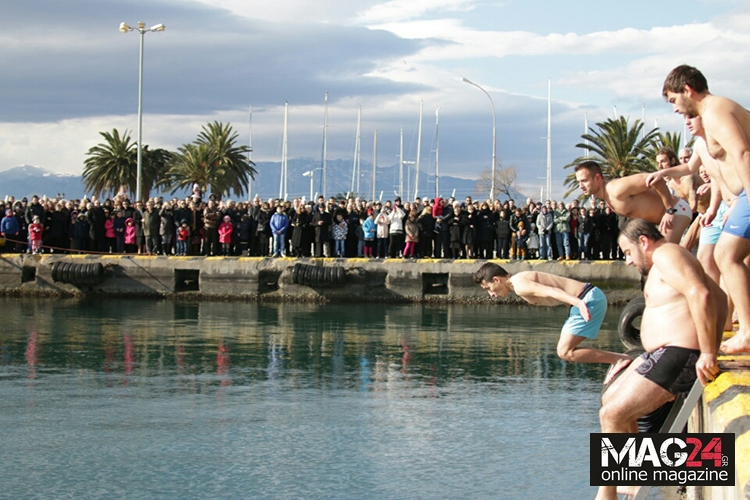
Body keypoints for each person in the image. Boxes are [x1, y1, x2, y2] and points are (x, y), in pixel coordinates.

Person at [594, 218, 727, 500]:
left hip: (679, 354)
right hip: (666, 353)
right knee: (610, 403)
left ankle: (608, 496)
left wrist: (708, 353)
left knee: (612, 414)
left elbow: (702, 294)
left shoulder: (667, 254)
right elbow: (719, 296)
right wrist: (711, 345)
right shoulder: (670, 257)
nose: (628, 261)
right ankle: (629, 483)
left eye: (628, 252)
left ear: (643, 242)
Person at [662, 64, 750, 353]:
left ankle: (747, 331)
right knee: (727, 256)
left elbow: (742, 151)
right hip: (740, 198)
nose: (675, 109)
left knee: (726, 254)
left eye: (674, 100)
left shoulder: (714, 110)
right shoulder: (711, 114)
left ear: (687, 90)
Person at [473, 262, 630, 369]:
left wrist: (578, 303)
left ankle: (619, 359)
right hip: (587, 296)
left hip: (585, 299)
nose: (491, 294)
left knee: (565, 351)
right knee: (566, 351)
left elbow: (552, 291)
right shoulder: (518, 279)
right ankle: (618, 359)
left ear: (496, 279)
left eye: (488, 288)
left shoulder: (519, 285)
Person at [574, 161, 691, 243]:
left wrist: (670, 209)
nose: (581, 186)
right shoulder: (608, 197)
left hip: (676, 210)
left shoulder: (616, 188)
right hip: (662, 221)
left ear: (598, 178)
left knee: (663, 257)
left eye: (584, 181)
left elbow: (655, 179)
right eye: (579, 182)